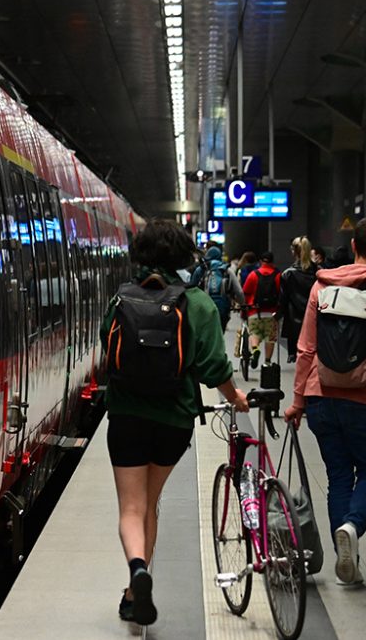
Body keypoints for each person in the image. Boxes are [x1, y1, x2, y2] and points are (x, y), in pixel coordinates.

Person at [101, 219, 249, 626]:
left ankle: (136, 573)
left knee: (131, 506)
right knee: (151, 501)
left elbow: (106, 352)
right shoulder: (197, 303)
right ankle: (135, 589)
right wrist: (234, 396)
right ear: (183, 257)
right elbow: (212, 366)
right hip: (174, 420)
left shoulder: (122, 300)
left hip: (127, 416)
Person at [285, 217, 366, 585]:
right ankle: (352, 526)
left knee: (339, 475)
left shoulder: (321, 287)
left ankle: (346, 558)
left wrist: (298, 402)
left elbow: (306, 349)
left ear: (353, 246)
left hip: (321, 397)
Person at [277, 236, 317, 363]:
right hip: (315, 319)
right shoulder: (319, 272)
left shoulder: (288, 274)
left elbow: (283, 299)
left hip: (294, 321)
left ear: (293, 252)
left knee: (299, 358)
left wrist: (278, 315)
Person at [189, 245, 244, 331]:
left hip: (203, 308)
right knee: (220, 332)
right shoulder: (226, 270)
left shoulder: (201, 269)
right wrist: (242, 304)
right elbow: (239, 291)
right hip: (223, 308)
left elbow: (191, 289)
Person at [242, 250, 281, 367]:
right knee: (270, 338)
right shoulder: (278, 275)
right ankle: (267, 362)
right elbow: (281, 293)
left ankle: (255, 350)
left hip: (254, 311)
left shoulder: (253, 274)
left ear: (260, 261)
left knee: (254, 333)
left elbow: (245, 292)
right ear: (272, 262)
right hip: (272, 312)